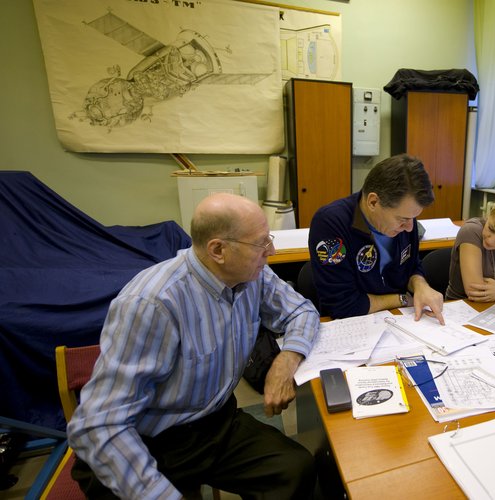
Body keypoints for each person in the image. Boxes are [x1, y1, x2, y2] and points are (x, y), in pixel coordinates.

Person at [67, 193, 319, 499]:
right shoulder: (152, 303)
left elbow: (302, 311)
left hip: (214, 422)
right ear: (218, 250)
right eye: (261, 243)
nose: (272, 250)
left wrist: (285, 360)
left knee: (295, 469)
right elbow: (99, 425)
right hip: (147, 440)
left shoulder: (253, 274)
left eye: (269, 239)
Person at [308, 154, 445, 323]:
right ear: (373, 202)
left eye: (413, 218)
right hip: (353, 326)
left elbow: (412, 266)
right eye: (402, 219)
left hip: (400, 321)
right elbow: (342, 305)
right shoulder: (330, 224)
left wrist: (420, 285)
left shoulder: (404, 217)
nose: (410, 228)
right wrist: (402, 299)